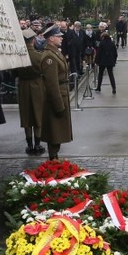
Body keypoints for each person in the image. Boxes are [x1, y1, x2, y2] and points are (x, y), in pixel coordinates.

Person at [40, 25, 73, 160]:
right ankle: (53, 160)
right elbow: (52, 84)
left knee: (58, 132)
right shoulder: (49, 56)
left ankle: (55, 159)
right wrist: (58, 104)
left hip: (62, 93)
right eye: (58, 36)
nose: (61, 38)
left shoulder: (55, 53)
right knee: (54, 132)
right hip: (56, 97)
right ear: (51, 38)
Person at [15, 28, 46, 155]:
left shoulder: (18, 57)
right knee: (38, 114)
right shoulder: (39, 56)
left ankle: (29, 145)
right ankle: (38, 145)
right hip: (37, 84)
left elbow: (13, 73)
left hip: (23, 86)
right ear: (33, 40)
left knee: (26, 116)